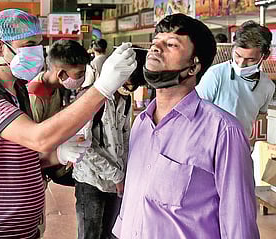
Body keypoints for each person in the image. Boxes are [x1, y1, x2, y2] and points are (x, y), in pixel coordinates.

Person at [0, 8, 136, 238]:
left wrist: (56, 156)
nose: (37, 51)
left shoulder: (18, 89)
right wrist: (103, 88)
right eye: (28, 44)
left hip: (24, 227)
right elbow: (37, 138)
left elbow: (17, 155)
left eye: (38, 43)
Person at [113, 13, 259, 239]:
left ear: (194, 66)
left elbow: (238, 223)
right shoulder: (141, 124)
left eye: (170, 44)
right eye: (155, 42)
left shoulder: (223, 132)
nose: (155, 49)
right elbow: (134, 199)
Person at [73, 48, 147, 239]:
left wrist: (123, 173)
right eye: (129, 83)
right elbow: (83, 148)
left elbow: (124, 137)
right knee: (90, 234)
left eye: (134, 86)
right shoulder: (90, 99)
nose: (130, 89)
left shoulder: (124, 99)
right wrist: (116, 175)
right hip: (91, 181)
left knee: (111, 233)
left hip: (116, 183)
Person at [27, 39, 91, 237]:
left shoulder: (54, 89)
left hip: (44, 169)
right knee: (31, 226)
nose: (80, 78)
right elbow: (33, 143)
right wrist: (59, 155)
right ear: (61, 73)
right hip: (32, 172)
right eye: (78, 74)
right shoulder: (35, 95)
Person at [197, 20, 275, 138]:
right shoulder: (216, 75)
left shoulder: (267, 86)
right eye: (238, 55)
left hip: (240, 144)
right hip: (208, 143)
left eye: (251, 59)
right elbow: (195, 113)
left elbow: (259, 117)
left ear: (265, 56)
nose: (241, 64)